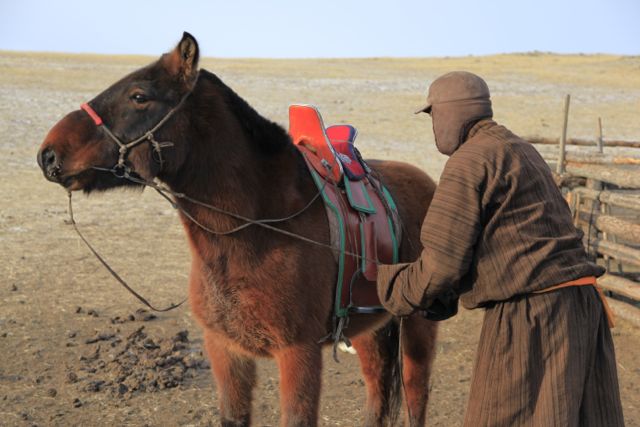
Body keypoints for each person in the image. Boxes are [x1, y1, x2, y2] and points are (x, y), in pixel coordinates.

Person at [376, 71, 624, 426]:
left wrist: (390, 285)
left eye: (433, 115)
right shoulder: (519, 149)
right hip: (580, 306)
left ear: (450, 112)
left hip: (533, 318)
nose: (433, 126)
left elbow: (442, 263)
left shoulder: (469, 161)